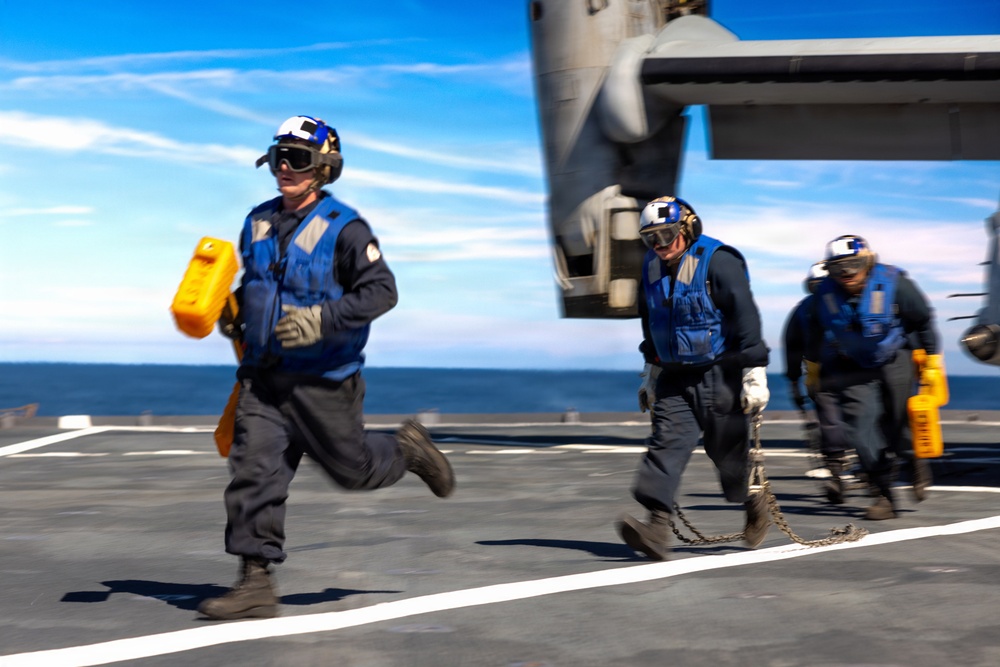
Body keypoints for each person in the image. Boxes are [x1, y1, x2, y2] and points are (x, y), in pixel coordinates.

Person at [198, 115, 455, 621]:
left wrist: (322, 319)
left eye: (297, 159)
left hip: (325, 382)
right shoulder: (256, 222)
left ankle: (406, 448)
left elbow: (383, 292)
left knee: (354, 472)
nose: (285, 168)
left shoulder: (346, 230)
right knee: (253, 472)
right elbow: (259, 287)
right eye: (278, 158)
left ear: (323, 168)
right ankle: (255, 579)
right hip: (264, 377)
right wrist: (234, 316)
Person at [620, 196, 771, 561]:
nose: (659, 246)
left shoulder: (718, 262)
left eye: (667, 235)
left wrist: (754, 372)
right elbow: (651, 320)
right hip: (674, 375)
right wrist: (651, 371)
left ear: (689, 228)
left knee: (728, 454)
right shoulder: (651, 268)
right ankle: (656, 527)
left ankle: (752, 497)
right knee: (665, 444)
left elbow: (745, 316)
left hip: (721, 373)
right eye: (650, 239)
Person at [804, 235, 938, 520]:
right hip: (853, 366)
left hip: (895, 358)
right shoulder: (824, 295)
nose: (847, 273)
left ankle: (914, 460)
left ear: (868, 261)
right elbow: (813, 331)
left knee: (900, 424)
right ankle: (883, 496)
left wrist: (932, 359)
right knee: (861, 430)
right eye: (839, 268)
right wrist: (812, 366)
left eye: (854, 265)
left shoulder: (895, 283)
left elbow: (922, 319)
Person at [783, 262, 848, 501]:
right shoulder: (805, 310)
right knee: (831, 423)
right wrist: (794, 378)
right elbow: (793, 345)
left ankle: (841, 473)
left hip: (845, 373)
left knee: (838, 423)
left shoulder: (805, 308)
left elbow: (792, 346)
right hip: (825, 374)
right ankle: (836, 474)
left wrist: (794, 379)